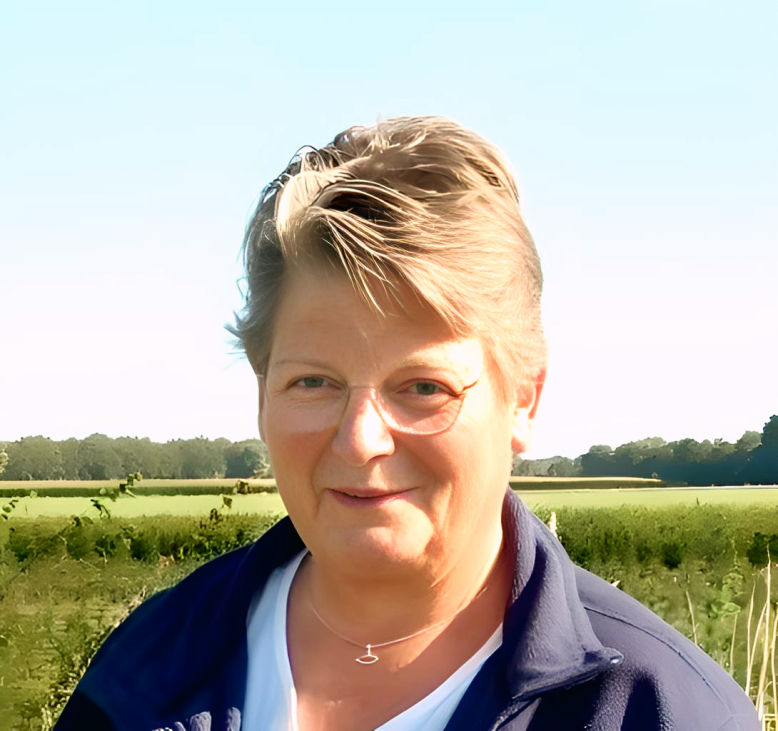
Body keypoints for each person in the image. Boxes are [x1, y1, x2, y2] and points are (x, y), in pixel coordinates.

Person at [55, 116, 759, 730]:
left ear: (523, 400)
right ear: (262, 392)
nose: (361, 439)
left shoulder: (662, 712)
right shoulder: (143, 671)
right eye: (314, 382)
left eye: (424, 387)